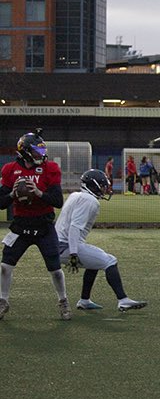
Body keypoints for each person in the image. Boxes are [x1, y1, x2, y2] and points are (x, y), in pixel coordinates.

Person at [0, 132, 70, 320]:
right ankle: (2, 301)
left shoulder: (50, 168)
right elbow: (1, 202)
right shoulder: (10, 169)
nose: (41, 154)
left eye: (42, 150)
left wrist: (38, 193)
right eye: (37, 150)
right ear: (25, 152)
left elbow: (57, 201)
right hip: (21, 226)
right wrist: (12, 196)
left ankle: (63, 300)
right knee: (5, 266)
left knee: (55, 270)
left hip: (44, 225)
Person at [56, 170, 147, 312]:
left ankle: (84, 301)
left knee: (95, 261)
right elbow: (74, 227)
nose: (105, 189)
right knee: (110, 261)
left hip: (60, 245)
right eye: (103, 186)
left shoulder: (76, 195)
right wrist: (73, 253)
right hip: (66, 246)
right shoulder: (89, 200)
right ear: (94, 185)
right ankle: (123, 300)